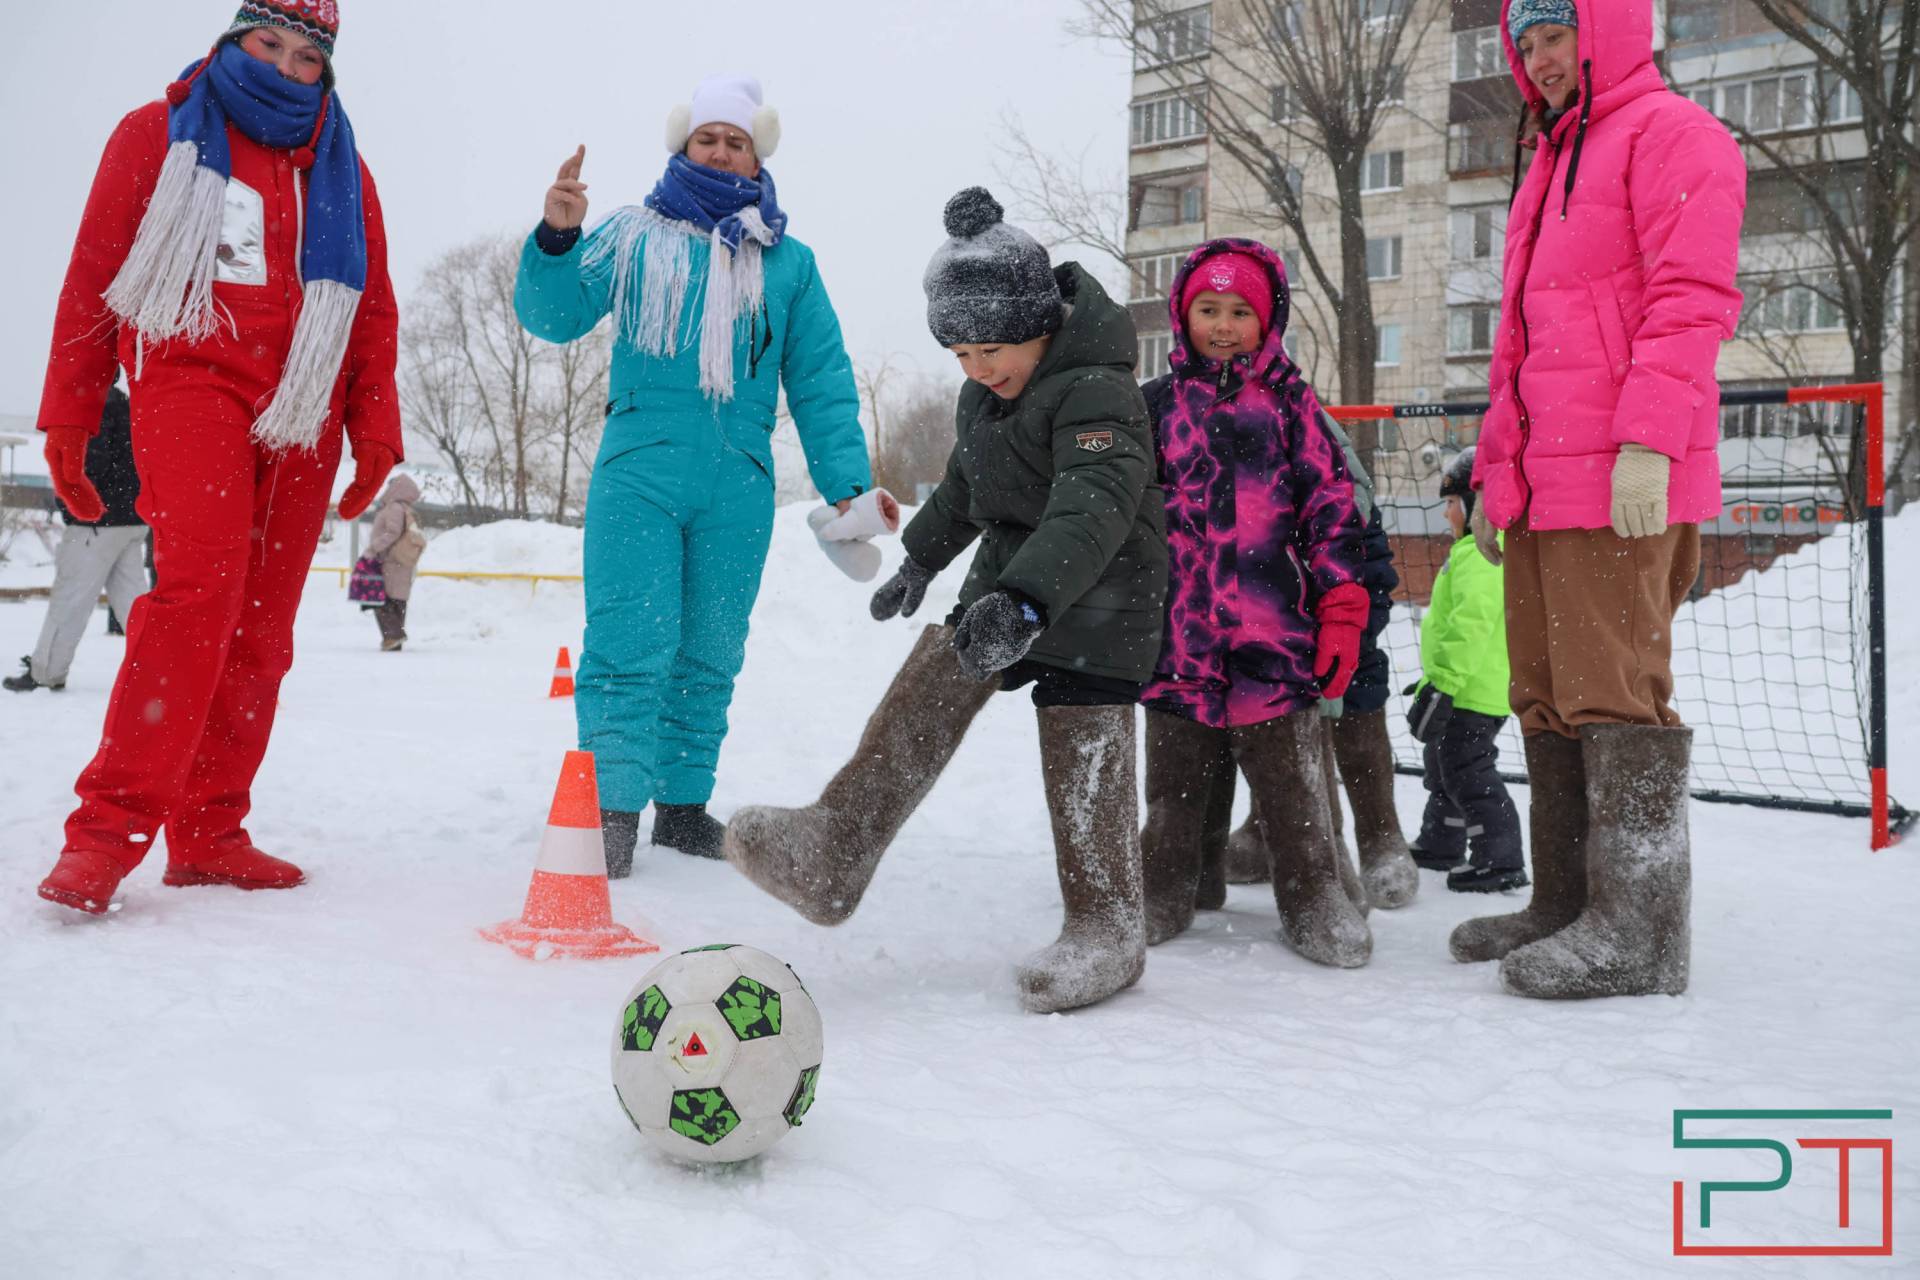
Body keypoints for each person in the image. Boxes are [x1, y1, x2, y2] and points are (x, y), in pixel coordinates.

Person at [725, 188, 1166, 1014]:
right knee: (936, 677)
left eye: (993, 348)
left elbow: (1095, 504)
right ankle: (836, 848)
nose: (978, 369)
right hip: (1008, 585)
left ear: (1042, 322)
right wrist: (919, 561)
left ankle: (1107, 926)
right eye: (960, 354)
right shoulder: (987, 396)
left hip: (1106, 595)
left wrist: (1030, 600)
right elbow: (968, 486)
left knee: (1086, 751)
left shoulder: (1098, 390)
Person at [33, 0, 402, 915]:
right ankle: (105, 833)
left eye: (305, 55)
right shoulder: (157, 135)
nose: (283, 65)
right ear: (233, 39)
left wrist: (376, 431)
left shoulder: (343, 168)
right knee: (198, 596)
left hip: (304, 402)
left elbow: (372, 308)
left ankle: (209, 831)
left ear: (326, 69)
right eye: (266, 43)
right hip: (191, 376)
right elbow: (94, 270)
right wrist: (72, 411)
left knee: (263, 629)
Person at [1451, 0, 1746, 996]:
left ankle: (1638, 931)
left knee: (1613, 692)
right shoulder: (1547, 162)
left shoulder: (1675, 136)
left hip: (1621, 479)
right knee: (1542, 690)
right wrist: (1497, 477)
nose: (1539, 60)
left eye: (1554, 36)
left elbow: (1690, 298)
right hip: (1543, 484)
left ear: (1608, 30)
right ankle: (1566, 902)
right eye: (1523, 43)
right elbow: (1519, 351)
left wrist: (1647, 445)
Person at [516, 75, 871, 873]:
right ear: (682, 145)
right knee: (629, 641)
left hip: (740, 478)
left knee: (711, 648)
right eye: (707, 137)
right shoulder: (631, 235)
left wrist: (845, 479)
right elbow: (553, 316)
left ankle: (682, 807)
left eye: (735, 140)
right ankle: (610, 813)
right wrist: (556, 238)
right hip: (639, 466)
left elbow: (819, 379)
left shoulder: (790, 264)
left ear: (756, 156)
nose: (720, 149)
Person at [1135, 239, 1374, 969]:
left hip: (1275, 637)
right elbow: (1129, 514)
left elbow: (1332, 509)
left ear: (1266, 322)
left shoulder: (1291, 406)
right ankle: (1170, 889)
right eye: (1209, 309)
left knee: (1293, 793)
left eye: (1241, 312)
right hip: (1179, 635)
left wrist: (1341, 608)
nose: (1224, 324)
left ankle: (1313, 896)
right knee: (1174, 791)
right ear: (1184, 315)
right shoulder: (1157, 406)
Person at [1208, 412, 1417, 913]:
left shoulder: (1314, 441)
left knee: (1355, 695)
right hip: (1271, 600)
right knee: (1268, 705)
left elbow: (1365, 554)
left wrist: (1349, 618)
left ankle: (1381, 837)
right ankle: (1275, 833)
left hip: (1344, 590)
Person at [1406, 448, 1526, 893]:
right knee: (1443, 765)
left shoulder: (1482, 556)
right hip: (1462, 686)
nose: (1445, 513)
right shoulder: (1469, 553)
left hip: (1472, 690)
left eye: (1452, 503)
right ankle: (1442, 841)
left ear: (1478, 506)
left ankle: (1500, 858)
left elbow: (1471, 624)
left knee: (1467, 770)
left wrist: (1445, 684)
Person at [6, 386, 146, 694]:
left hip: (95, 522)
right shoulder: (126, 404)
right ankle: (162, 670)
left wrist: (69, 503)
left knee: (70, 599)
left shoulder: (92, 406)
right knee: (135, 605)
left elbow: (86, 467)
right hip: (132, 519)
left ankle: (46, 672)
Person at [363, 473, 424, 651]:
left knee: (380, 599)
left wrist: (374, 548)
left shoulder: (394, 508)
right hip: (400, 560)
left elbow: (392, 533)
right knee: (396, 601)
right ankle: (393, 640)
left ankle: (394, 636)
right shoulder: (404, 508)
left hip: (391, 561)